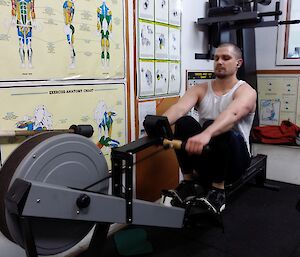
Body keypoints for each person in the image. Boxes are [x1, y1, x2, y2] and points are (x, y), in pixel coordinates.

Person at [162, 42, 257, 214]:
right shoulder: (201, 89)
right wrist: (159, 123)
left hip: (234, 162)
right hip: (208, 156)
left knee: (213, 125)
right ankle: (189, 183)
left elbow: (233, 114)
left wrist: (207, 133)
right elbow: (179, 108)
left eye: (226, 58)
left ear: (238, 63)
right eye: (216, 58)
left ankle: (218, 192)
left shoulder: (246, 91)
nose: (219, 62)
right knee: (185, 122)